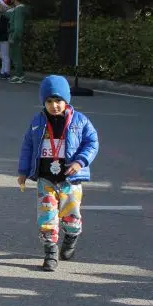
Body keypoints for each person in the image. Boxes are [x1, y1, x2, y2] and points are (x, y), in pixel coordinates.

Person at [16, 75, 100, 272]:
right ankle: (50, 252)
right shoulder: (37, 122)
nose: (54, 105)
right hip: (46, 179)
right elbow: (27, 146)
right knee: (46, 216)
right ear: (43, 102)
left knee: (71, 216)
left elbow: (92, 142)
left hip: (70, 180)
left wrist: (80, 162)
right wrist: (23, 171)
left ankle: (71, 237)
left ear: (66, 100)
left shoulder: (80, 121)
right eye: (49, 101)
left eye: (58, 100)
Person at [7, 0, 29, 84]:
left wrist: (14, 37)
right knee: (14, 55)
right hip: (15, 35)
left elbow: (18, 26)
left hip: (15, 36)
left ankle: (20, 76)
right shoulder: (19, 9)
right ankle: (18, 75)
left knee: (16, 56)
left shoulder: (19, 10)